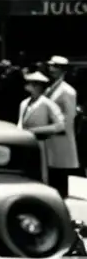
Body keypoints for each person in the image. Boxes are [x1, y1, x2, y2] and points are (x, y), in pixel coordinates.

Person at [18, 71, 66, 190]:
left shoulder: (47, 104)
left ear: (38, 86)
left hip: (40, 143)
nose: (27, 86)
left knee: (39, 171)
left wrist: (36, 131)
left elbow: (60, 125)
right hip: (24, 142)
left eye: (31, 84)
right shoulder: (24, 103)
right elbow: (20, 122)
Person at [43, 56, 80, 198]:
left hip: (60, 136)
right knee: (52, 171)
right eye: (51, 66)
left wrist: (55, 128)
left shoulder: (67, 91)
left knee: (60, 173)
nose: (51, 69)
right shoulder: (50, 88)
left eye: (56, 67)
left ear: (63, 70)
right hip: (51, 136)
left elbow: (69, 117)